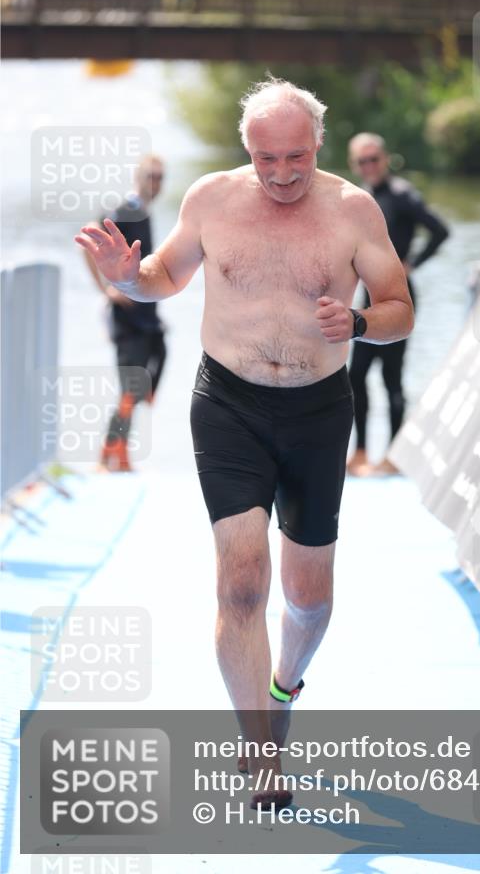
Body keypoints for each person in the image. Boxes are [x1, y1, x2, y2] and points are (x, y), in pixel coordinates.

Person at [74, 77, 414, 809]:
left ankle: (285, 683)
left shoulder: (354, 210)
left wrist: (356, 324)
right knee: (240, 582)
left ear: (317, 145)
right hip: (227, 405)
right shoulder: (210, 200)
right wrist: (126, 277)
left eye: (295, 157)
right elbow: (159, 278)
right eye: (266, 159)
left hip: (319, 412)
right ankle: (261, 751)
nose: (282, 173)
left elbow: (400, 310)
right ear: (246, 149)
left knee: (309, 599)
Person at [346, 133, 449, 477]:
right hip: (367, 297)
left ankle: (393, 455)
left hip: (398, 296)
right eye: (362, 161)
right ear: (354, 165)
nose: (370, 166)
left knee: (392, 378)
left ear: (385, 159)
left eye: (374, 159)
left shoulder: (402, 195)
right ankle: (360, 452)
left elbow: (440, 230)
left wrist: (413, 263)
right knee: (355, 375)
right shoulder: (362, 199)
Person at [80, 155, 167, 472]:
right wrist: (105, 289)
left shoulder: (141, 211)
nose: (155, 183)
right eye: (150, 176)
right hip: (129, 320)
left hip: (146, 318)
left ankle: (115, 451)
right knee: (131, 388)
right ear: (137, 177)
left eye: (160, 177)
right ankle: (112, 455)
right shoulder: (129, 208)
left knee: (143, 380)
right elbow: (89, 235)